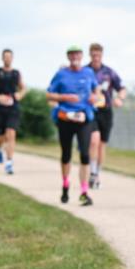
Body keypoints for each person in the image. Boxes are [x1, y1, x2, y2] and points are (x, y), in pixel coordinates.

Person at [45, 46, 100, 206]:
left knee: (84, 154)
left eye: (77, 54)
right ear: (68, 57)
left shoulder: (88, 73)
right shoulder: (61, 74)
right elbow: (49, 94)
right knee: (66, 154)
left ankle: (84, 192)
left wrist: (95, 97)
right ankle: (65, 185)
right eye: (72, 54)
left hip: (84, 118)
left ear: (82, 56)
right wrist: (64, 96)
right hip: (65, 118)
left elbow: (96, 91)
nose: (75, 56)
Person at [86, 42, 126, 189]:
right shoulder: (85, 71)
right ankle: (91, 171)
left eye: (98, 55)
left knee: (102, 144)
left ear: (101, 55)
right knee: (94, 141)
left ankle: (97, 173)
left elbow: (121, 88)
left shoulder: (109, 72)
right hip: (91, 111)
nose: (96, 57)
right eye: (93, 55)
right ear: (90, 55)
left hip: (106, 111)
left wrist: (119, 98)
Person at [0, 48, 26, 174]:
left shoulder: (16, 73)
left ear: (12, 58)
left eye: (9, 57)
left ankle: (9, 163)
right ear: (2, 58)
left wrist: (20, 95)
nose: (7, 59)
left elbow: (23, 88)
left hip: (13, 107)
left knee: (11, 134)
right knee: (0, 137)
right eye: (5, 57)